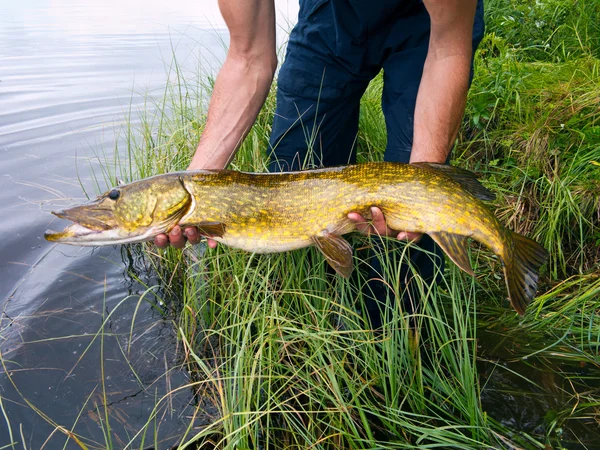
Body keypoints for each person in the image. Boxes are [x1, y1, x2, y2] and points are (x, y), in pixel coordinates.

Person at [155, 0, 485, 326]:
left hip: (428, 21)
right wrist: (193, 189)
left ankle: (400, 337)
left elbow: (448, 51)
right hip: (331, 13)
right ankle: (321, 326)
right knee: (293, 164)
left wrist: (419, 191)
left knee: (418, 213)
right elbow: (248, 58)